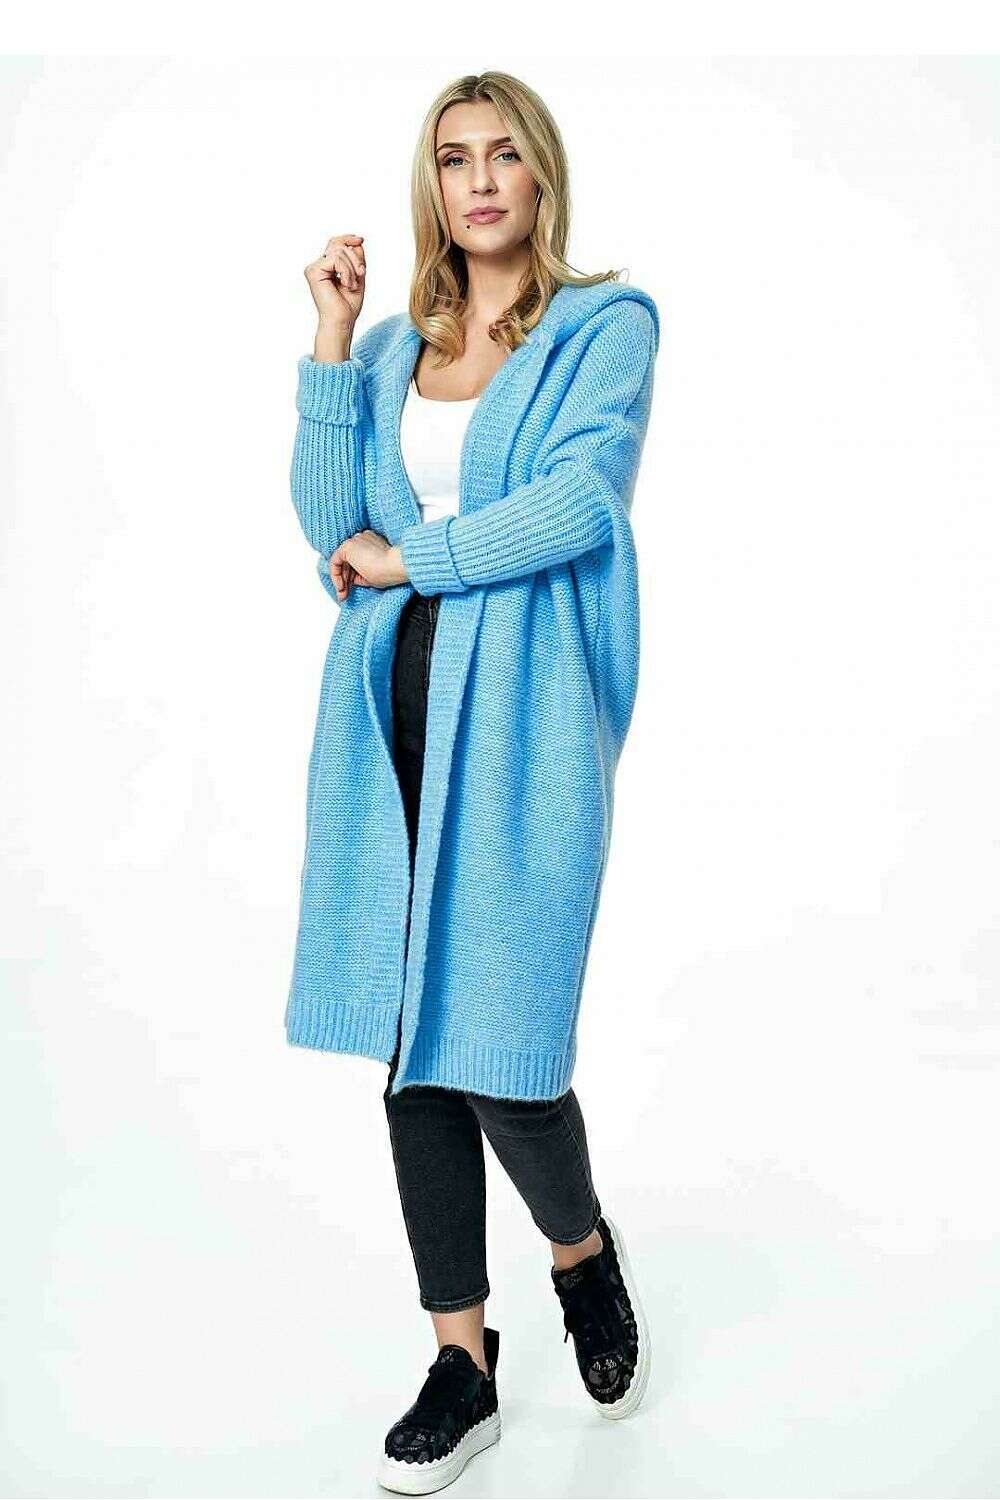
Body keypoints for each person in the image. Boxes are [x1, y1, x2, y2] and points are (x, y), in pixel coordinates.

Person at [287, 70, 660, 1494]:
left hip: (522, 728)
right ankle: (463, 1361)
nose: (481, 180)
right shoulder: (396, 346)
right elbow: (333, 530)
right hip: (386, 709)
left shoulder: (603, 327)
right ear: (432, 187)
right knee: (411, 1049)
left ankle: (579, 1249)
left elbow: (575, 505)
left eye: (505, 154)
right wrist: (332, 345)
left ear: (540, 174)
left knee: (504, 1046)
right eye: (455, 159)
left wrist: (416, 557)